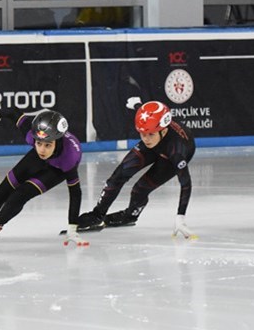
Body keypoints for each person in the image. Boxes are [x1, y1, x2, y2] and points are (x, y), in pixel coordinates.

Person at [0, 107, 87, 246]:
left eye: (48, 145)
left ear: (57, 141)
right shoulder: (32, 135)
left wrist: (72, 229)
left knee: (21, 194)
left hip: (57, 169)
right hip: (35, 159)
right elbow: (13, 112)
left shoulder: (69, 158)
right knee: (1, 192)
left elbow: (75, 193)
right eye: (39, 143)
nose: (42, 149)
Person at [77, 98, 197, 239]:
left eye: (150, 134)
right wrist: (137, 105)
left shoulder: (176, 151)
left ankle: (130, 216)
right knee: (119, 175)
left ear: (163, 131)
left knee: (140, 189)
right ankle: (97, 215)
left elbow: (186, 184)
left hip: (170, 158)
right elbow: (147, 113)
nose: (146, 139)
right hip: (157, 145)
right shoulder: (152, 132)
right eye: (142, 134)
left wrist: (180, 217)